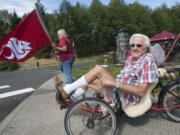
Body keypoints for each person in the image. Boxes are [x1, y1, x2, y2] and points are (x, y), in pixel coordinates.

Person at [54, 33, 158, 107]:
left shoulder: (147, 60)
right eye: (132, 45)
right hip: (118, 90)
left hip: (127, 97)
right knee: (87, 79)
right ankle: (70, 99)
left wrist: (115, 83)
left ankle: (67, 89)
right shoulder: (131, 58)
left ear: (146, 48)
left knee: (99, 69)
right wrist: (113, 81)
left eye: (139, 45)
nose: (134, 48)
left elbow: (140, 91)